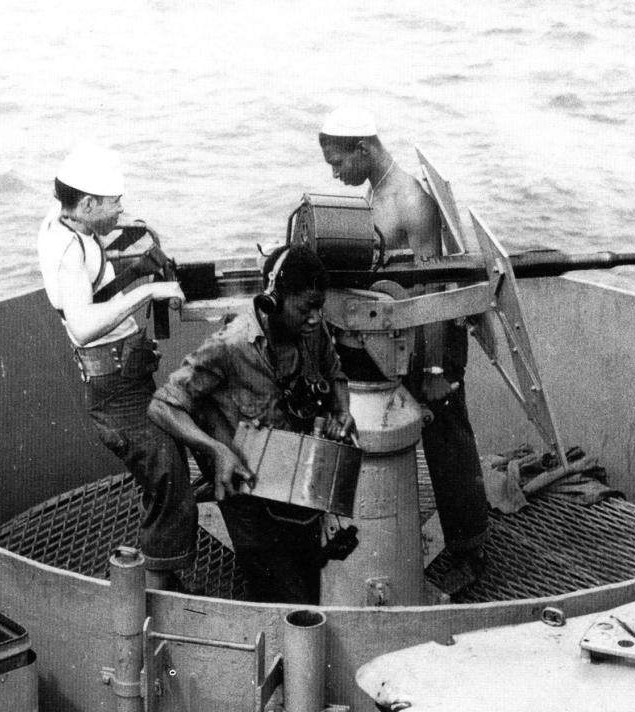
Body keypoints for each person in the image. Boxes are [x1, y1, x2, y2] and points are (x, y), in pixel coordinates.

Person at [318, 106, 489, 596]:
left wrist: (435, 368)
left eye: (338, 164)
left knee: (448, 440)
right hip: (402, 332)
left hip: (433, 335)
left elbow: (434, 289)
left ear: (363, 149)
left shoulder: (411, 199)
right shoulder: (377, 189)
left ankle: (471, 552)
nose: (335, 174)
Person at [148, 244, 355, 605]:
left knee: (308, 580)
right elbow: (163, 406)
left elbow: (335, 373)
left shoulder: (313, 331)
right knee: (281, 595)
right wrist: (217, 450)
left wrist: (342, 411)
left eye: (319, 308)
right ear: (273, 299)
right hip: (247, 495)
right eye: (306, 308)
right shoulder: (229, 347)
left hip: (295, 481)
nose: (315, 318)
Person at [37, 142, 196, 591]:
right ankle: (158, 590)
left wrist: (136, 263)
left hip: (127, 376)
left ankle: (163, 569)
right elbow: (84, 325)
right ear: (86, 204)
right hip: (115, 390)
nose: (121, 210)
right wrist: (145, 293)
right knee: (166, 473)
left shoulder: (66, 220)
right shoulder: (69, 250)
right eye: (113, 203)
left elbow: (89, 291)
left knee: (164, 466)